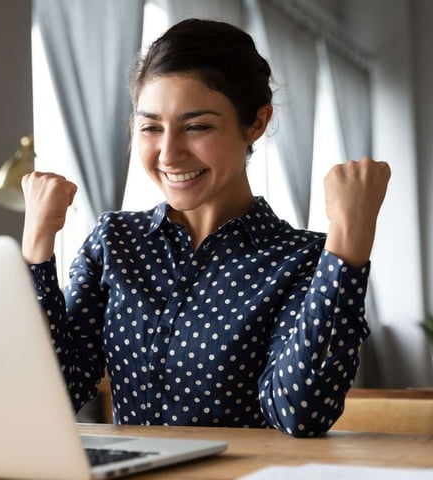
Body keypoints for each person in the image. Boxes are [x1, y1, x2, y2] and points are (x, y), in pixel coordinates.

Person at [21, 18, 390, 438]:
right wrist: (37, 243)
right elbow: (54, 395)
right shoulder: (115, 242)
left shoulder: (303, 259)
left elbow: (299, 414)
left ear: (256, 123)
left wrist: (349, 241)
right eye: (151, 127)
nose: (169, 152)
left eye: (197, 127)